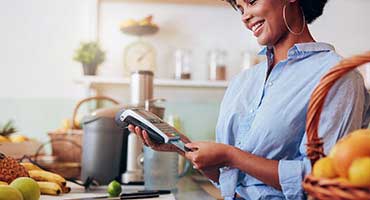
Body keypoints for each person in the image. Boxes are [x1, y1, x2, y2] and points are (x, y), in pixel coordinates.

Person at [128, 0, 370, 199]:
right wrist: (181, 147)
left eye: (251, 2)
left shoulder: (337, 76)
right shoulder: (242, 82)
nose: (245, 17)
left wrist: (231, 155)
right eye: (240, 8)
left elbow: (322, 181)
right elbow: (231, 179)